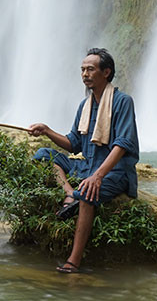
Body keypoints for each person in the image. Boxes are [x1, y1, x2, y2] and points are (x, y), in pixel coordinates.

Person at [28, 48, 139, 274]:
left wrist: (97, 176)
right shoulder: (84, 105)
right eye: (82, 70)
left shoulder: (122, 101)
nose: (85, 74)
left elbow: (122, 144)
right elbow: (73, 143)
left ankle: (73, 261)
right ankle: (69, 193)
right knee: (43, 155)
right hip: (86, 165)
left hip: (115, 171)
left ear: (106, 72)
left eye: (90, 69)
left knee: (87, 192)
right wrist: (47, 131)